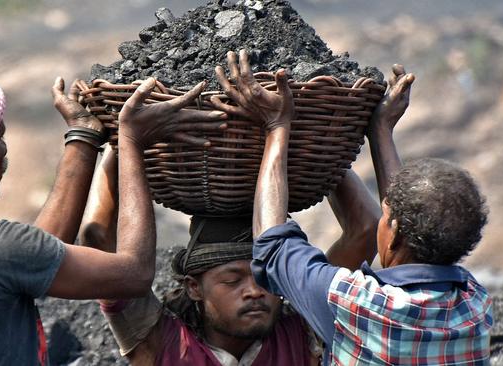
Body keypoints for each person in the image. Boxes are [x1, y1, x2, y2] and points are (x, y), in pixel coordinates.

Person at [0, 64, 225, 365]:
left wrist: (83, 133)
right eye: (0, 139)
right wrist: (132, 140)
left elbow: (38, 252)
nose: (5, 152)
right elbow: (134, 274)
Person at [217, 49, 492, 364]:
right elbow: (405, 217)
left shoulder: (359, 305)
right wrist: (380, 131)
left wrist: (277, 126)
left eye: (387, 215)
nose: (382, 217)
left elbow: (272, 245)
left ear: (396, 231)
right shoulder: (473, 304)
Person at [79, 123, 381, 365]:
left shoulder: (304, 328)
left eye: (268, 280)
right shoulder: (160, 343)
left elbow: (366, 229)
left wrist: (321, 138)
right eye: (233, 279)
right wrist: (121, 139)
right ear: (194, 287)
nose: (254, 291)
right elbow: (97, 238)